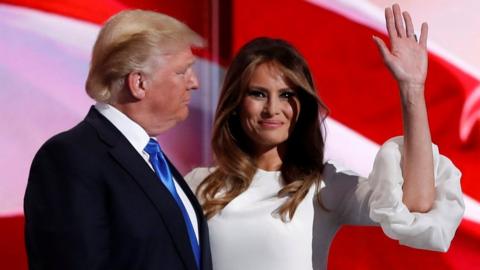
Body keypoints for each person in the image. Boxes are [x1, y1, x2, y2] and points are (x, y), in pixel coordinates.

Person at [185, 4, 464, 270]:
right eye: (258, 94)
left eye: (287, 95)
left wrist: (412, 90)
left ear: (303, 106)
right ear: (235, 103)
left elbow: (416, 205)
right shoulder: (198, 186)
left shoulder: (324, 187)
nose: (272, 109)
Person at [24, 10, 212, 270]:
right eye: (183, 71)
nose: (194, 83)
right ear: (139, 83)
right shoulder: (70, 158)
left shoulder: (150, 157)